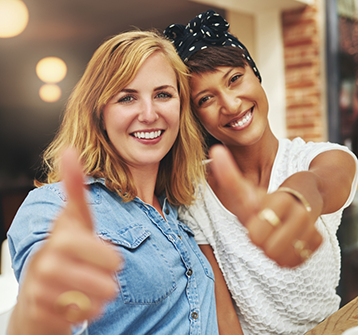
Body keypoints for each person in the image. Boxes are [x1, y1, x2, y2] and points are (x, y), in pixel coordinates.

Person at [6, 30, 225, 335]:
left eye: (163, 94)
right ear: (99, 113)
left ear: (180, 106)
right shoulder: (55, 206)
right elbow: (41, 303)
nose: (149, 114)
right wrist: (39, 313)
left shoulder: (180, 204)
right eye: (127, 97)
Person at [164, 10, 358, 335]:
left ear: (255, 74)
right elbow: (221, 312)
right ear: (195, 117)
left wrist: (296, 198)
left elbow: (322, 183)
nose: (230, 104)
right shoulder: (191, 192)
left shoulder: (322, 157)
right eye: (206, 98)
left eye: (235, 79)